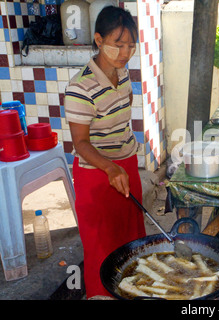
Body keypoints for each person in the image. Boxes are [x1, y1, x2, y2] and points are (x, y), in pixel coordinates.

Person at [64, 6, 146, 298]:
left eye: (131, 45)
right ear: (98, 40)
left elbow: (124, 116)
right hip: (96, 175)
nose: (125, 52)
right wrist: (110, 168)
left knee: (132, 241)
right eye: (118, 44)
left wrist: (125, 161)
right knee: (103, 246)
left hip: (127, 165)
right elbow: (81, 143)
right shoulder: (79, 88)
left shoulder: (122, 74)